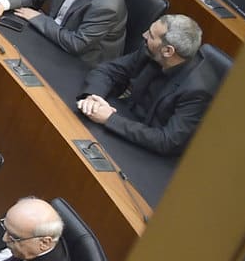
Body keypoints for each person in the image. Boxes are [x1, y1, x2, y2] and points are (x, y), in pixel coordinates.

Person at [78, 14, 220, 156]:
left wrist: (110, 119)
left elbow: (167, 141)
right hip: (125, 118)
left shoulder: (198, 89)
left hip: (149, 148)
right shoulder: (151, 50)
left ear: (168, 51)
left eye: (151, 35)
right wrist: (93, 98)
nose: (144, 35)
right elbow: (109, 71)